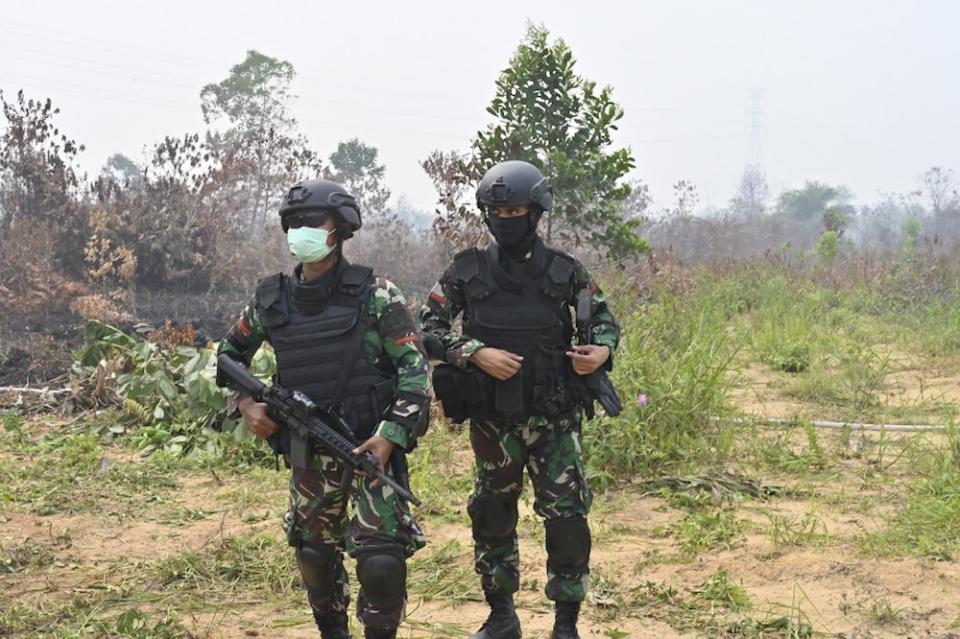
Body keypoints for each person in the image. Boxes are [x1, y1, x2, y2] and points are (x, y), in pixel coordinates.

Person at [216, 179, 430, 639]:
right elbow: (228, 357)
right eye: (294, 224)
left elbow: (416, 372)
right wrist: (247, 404)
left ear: (341, 230)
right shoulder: (270, 301)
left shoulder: (378, 296)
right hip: (307, 453)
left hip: (371, 452)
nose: (302, 232)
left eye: (313, 222)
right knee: (314, 557)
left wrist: (390, 435)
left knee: (380, 563)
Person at [420, 161, 620, 639]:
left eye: (516, 209)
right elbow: (427, 329)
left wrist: (602, 351)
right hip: (493, 421)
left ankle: (566, 624)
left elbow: (606, 321)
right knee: (492, 516)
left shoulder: (566, 270)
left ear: (536, 212)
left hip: (555, 419)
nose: (507, 218)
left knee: (568, 521)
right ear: (486, 215)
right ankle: (502, 616)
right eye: (498, 210)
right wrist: (476, 352)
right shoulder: (466, 271)